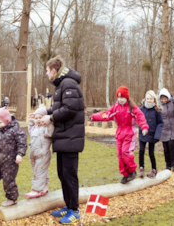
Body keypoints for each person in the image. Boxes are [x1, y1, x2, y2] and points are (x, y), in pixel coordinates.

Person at [41, 56, 85, 225]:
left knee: (70, 175)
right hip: (63, 137)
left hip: (71, 137)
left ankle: (74, 210)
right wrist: (45, 112)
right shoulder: (61, 85)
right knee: (62, 174)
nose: (46, 74)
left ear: (53, 71)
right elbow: (60, 107)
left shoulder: (68, 84)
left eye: (47, 71)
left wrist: (51, 118)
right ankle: (68, 206)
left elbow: (70, 109)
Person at [91, 86, 149, 183]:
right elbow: (106, 114)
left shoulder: (132, 107)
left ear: (126, 97)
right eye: (118, 98)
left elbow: (140, 117)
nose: (120, 100)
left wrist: (144, 127)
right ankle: (125, 175)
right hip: (119, 133)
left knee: (125, 152)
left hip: (129, 132)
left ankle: (132, 171)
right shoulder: (116, 107)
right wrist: (94, 117)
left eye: (122, 97)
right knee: (120, 154)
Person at [25, 104, 54, 198]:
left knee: (40, 172)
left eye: (40, 117)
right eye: (36, 118)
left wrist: (49, 122)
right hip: (33, 153)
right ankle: (44, 186)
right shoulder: (35, 127)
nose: (38, 120)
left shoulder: (46, 128)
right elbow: (30, 130)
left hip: (43, 154)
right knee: (36, 171)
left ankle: (36, 190)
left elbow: (50, 132)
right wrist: (31, 120)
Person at [138, 90, 163, 178]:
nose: (149, 100)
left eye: (151, 99)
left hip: (152, 134)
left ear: (154, 99)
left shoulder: (157, 110)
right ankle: (141, 168)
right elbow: (137, 119)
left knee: (151, 152)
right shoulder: (141, 109)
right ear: (145, 99)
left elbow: (160, 123)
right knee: (141, 150)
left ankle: (154, 169)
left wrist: (157, 135)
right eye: (148, 99)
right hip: (143, 133)